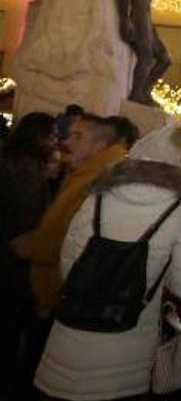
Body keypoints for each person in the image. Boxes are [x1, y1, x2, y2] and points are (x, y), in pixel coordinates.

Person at [34, 122, 181, 401]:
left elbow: (68, 266)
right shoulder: (180, 210)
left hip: (70, 338)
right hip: (126, 349)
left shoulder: (97, 198)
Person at [28, 114, 129, 319]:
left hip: (62, 299)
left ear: (99, 146)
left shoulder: (96, 182)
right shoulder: (81, 174)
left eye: (78, 136)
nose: (67, 142)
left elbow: (73, 244)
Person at [0, 112, 59, 401]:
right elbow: (22, 238)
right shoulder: (24, 171)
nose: (58, 143)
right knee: (9, 338)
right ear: (38, 137)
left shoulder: (14, 161)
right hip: (11, 270)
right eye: (52, 136)